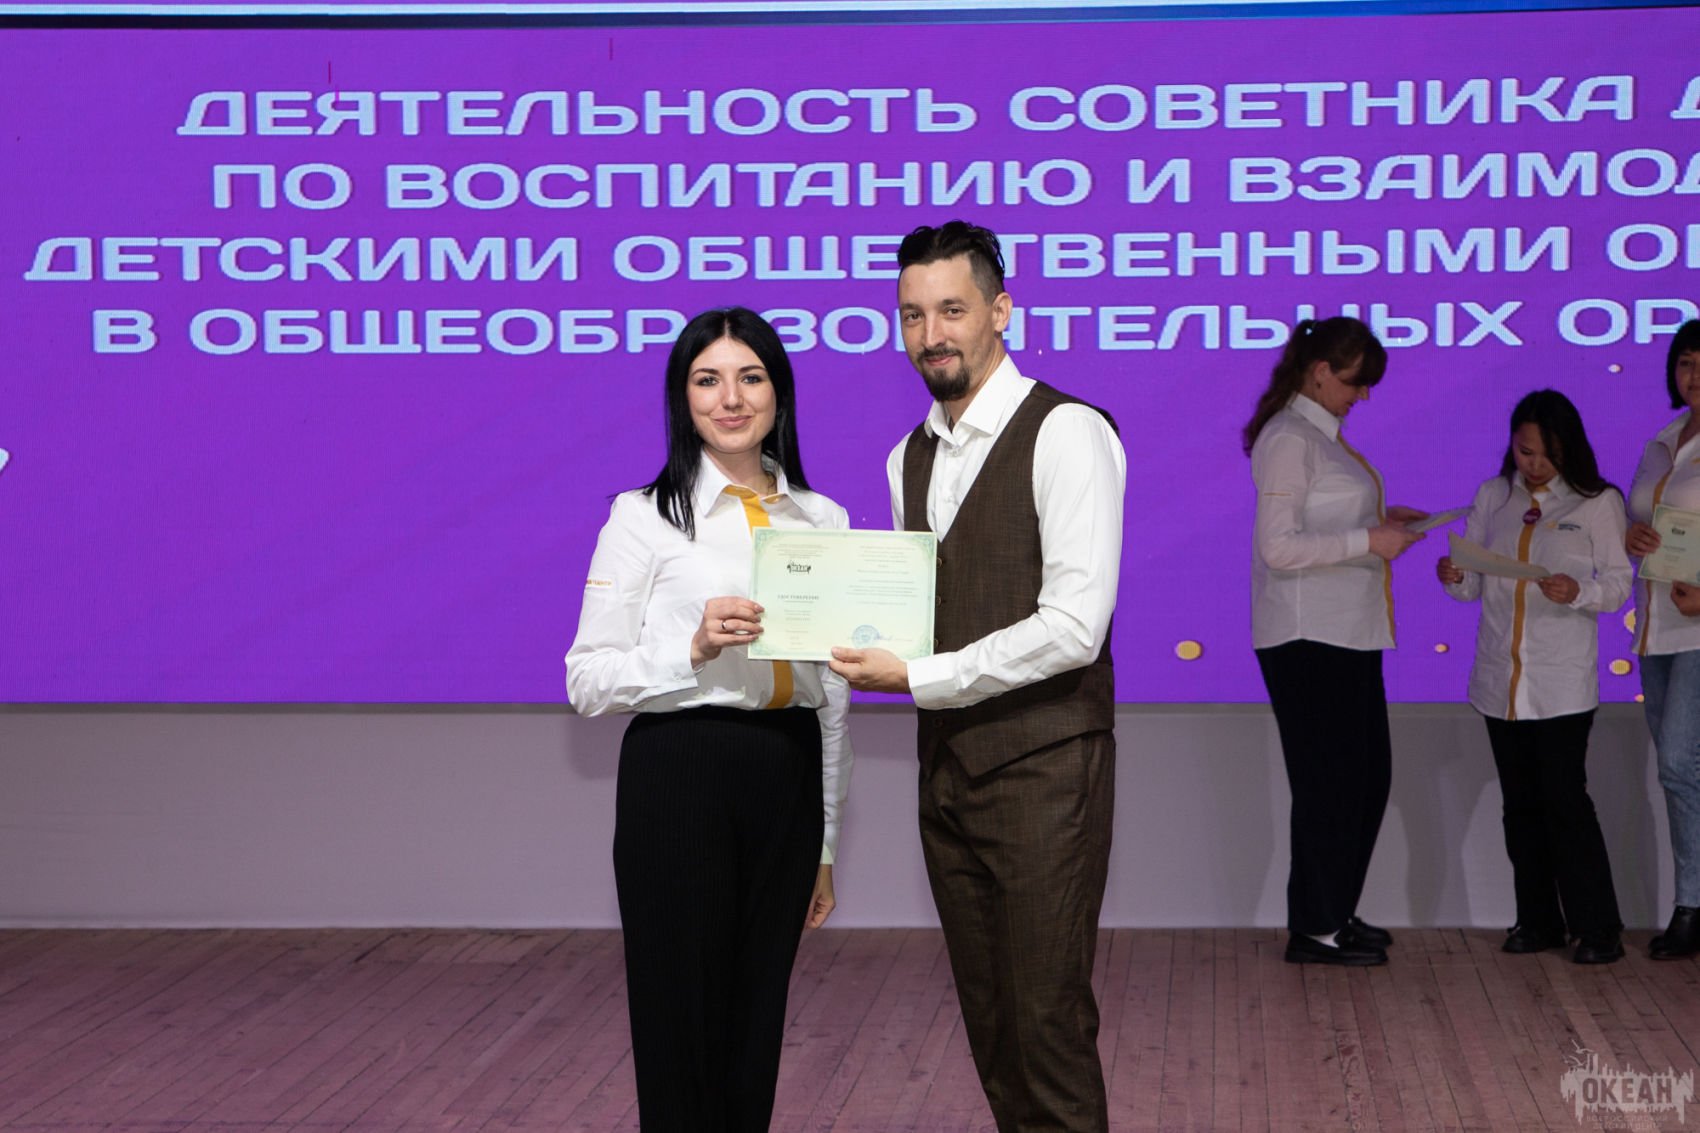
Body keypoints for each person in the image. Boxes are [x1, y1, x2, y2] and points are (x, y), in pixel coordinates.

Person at [829, 220, 1125, 1133]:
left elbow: (1074, 628)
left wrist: (921, 675)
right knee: (994, 1028)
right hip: (947, 774)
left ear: (1001, 311)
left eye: (952, 310)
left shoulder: (1068, 432)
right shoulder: (906, 456)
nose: (932, 335)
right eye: (912, 315)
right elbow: (920, 610)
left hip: (1046, 772)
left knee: (1047, 1025)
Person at [565, 307, 852, 1131]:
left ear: (779, 391)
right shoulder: (642, 516)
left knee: (755, 1029)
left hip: (787, 774)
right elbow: (587, 679)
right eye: (708, 379)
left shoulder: (824, 520)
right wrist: (688, 649)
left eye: (750, 376)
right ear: (682, 398)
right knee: (680, 1024)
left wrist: (826, 840)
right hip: (679, 773)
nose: (731, 398)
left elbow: (831, 699)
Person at [1244, 316, 1424, 966]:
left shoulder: (1320, 437)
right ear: (1320, 373)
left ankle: (1335, 911)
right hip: (1307, 634)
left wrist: (1379, 523)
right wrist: (1369, 539)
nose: (1362, 395)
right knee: (1330, 783)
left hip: (1345, 631)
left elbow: (1320, 525)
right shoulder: (1289, 438)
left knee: (1365, 778)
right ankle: (1317, 928)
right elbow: (1278, 546)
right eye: (1355, 381)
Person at [1437, 390, 1630, 964]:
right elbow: (1471, 587)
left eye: (1548, 454)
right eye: (1525, 452)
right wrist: (1454, 576)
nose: (1536, 464)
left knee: (1566, 803)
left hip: (1560, 683)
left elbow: (1618, 586)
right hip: (1499, 681)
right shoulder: (1493, 496)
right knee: (1520, 806)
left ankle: (1598, 928)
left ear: (1570, 449)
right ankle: (1538, 920)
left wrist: (1578, 591)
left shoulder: (1597, 502)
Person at [1626, 317, 1700, 960]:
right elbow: (1640, 520)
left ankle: (1691, 907)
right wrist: (1632, 535)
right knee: (1678, 770)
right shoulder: (1661, 442)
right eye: (1685, 363)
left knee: (1680, 764)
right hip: (1656, 624)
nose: (1693, 375)